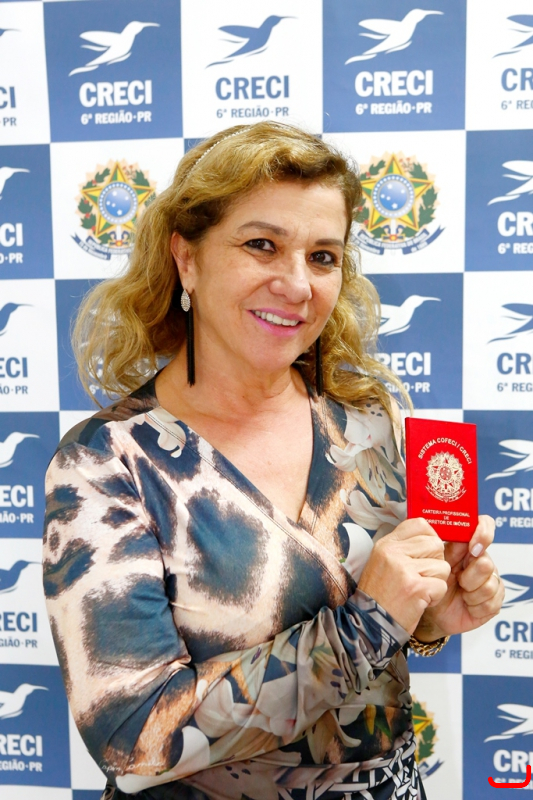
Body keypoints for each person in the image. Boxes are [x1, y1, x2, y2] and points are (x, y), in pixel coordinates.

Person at [43, 122, 503, 800]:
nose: (296, 284)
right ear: (186, 259)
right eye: (261, 245)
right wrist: (369, 622)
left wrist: (431, 617)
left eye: (322, 256)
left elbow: (387, 643)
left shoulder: (368, 423)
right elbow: (137, 742)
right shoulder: (105, 462)